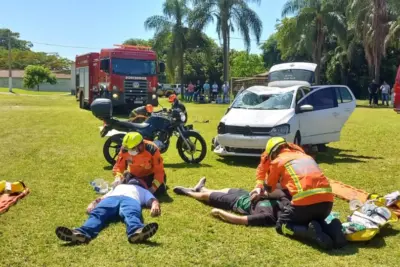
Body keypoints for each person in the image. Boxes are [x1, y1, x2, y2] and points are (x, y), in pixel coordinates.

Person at [251, 137, 347, 250]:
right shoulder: (306, 157)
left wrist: (261, 188)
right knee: (315, 219)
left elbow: (270, 188)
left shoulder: (277, 161)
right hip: (326, 205)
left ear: (272, 153)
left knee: (281, 225)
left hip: (304, 205)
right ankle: (333, 228)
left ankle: (309, 234)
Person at [55, 178, 160, 245]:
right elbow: (103, 197)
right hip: (113, 198)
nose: (136, 180)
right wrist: (93, 203)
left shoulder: (143, 190)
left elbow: (152, 200)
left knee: (131, 214)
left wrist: (155, 205)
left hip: (130, 200)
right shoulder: (118, 186)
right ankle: (80, 233)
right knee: (98, 213)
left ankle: (137, 232)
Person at [173, 177, 290, 227]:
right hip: (246, 194)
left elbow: (241, 220)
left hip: (236, 202)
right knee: (225, 189)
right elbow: (279, 192)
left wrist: (220, 212)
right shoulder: (285, 202)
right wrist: (260, 193)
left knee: (206, 196)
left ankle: (187, 192)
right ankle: (200, 188)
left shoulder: (268, 217)